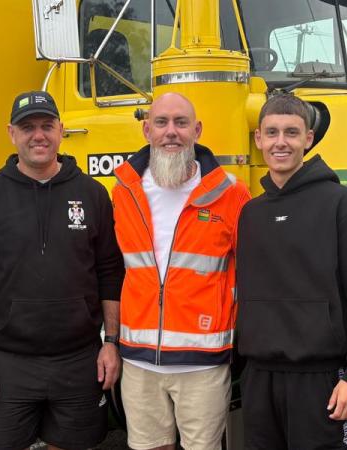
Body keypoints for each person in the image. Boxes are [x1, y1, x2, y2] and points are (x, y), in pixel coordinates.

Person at [0, 90, 124, 450]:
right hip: (7, 362)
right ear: (11, 133)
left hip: (79, 359)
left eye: (47, 126)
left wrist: (111, 343)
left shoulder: (93, 194)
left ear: (61, 130)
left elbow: (109, 273)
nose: (38, 135)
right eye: (27, 127)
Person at [235, 94, 347, 449]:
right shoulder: (250, 214)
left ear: (308, 139)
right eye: (272, 132)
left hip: (319, 380)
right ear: (258, 139)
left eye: (291, 132)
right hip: (258, 379)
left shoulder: (340, 204)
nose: (281, 142)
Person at [112, 92, 250, 450]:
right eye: (161, 122)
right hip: (139, 361)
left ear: (197, 130)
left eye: (181, 122)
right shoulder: (123, 191)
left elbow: (253, 273)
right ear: (147, 130)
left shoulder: (231, 194)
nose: (171, 132)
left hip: (203, 364)